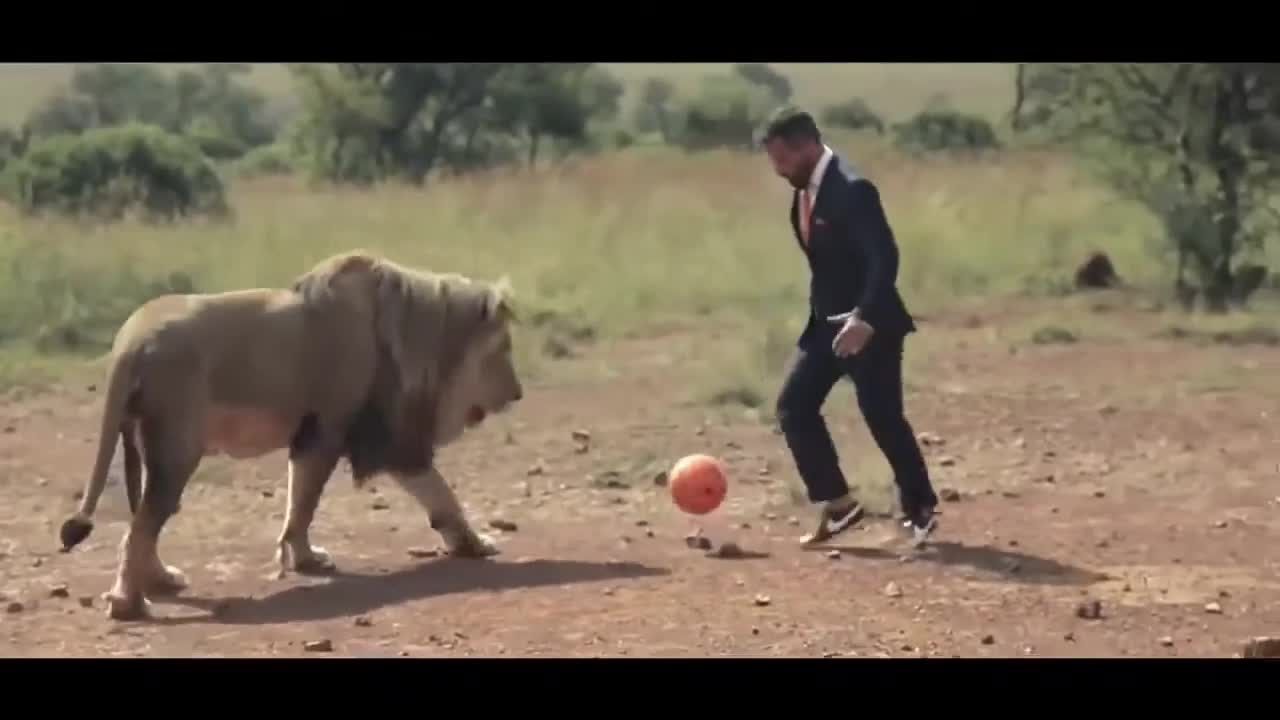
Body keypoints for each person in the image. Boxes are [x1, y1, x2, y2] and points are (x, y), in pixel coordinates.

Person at [759, 106, 939, 547]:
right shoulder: (806, 191)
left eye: (782, 160)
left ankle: (920, 509)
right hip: (826, 327)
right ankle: (839, 505)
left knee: (882, 416)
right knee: (794, 408)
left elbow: (884, 257)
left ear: (806, 147)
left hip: (868, 325)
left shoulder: (852, 189)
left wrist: (865, 317)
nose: (779, 171)